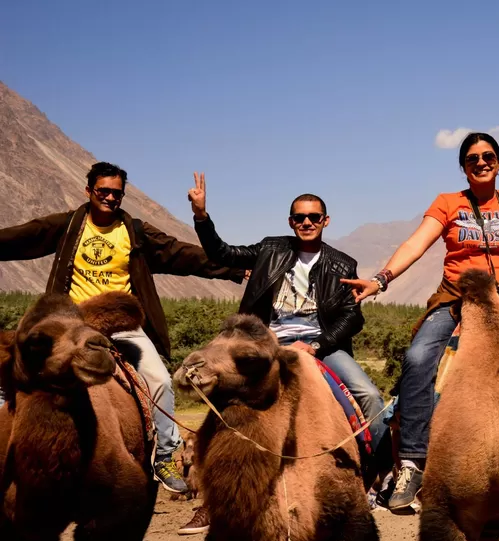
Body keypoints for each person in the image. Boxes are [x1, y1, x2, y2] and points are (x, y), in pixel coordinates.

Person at [342, 132, 499, 511]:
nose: (481, 162)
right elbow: (416, 243)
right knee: (418, 358)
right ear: (463, 167)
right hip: (456, 298)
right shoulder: (448, 204)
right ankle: (411, 462)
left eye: (488, 155)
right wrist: (381, 279)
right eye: (472, 158)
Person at [0, 162, 245, 494]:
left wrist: (233, 269)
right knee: (13, 373)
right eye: (104, 191)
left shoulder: (135, 231)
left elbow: (181, 254)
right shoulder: (68, 225)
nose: (111, 198)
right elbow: (21, 236)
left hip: (120, 321)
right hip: (71, 325)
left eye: (117, 193)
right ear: (89, 191)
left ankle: (168, 457)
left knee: (159, 380)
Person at [189, 174, 388, 458]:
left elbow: (352, 317)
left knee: (368, 396)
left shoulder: (343, 264)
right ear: (290, 222)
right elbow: (223, 254)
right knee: (215, 384)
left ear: (325, 220)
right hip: (266, 339)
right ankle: (208, 464)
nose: (307, 223)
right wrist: (201, 215)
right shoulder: (271, 249)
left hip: (321, 342)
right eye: (299, 218)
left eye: (314, 217)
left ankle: (377, 475)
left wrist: (315, 345)